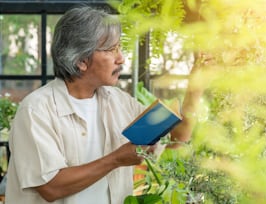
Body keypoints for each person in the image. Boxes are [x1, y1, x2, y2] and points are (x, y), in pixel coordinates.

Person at [5, 5, 202, 204]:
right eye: (111, 49)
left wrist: (198, 83)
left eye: (119, 48)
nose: (121, 59)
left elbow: (178, 137)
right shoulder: (36, 111)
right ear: (82, 61)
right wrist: (116, 159)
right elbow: (51, 187)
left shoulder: (118, 101)